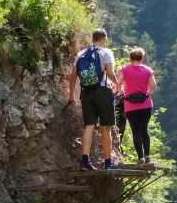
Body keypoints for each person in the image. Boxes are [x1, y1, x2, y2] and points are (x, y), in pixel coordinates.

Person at [67, 29, 121, 170]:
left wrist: (71, 95)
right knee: (105, 127)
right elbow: (110, 73)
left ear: (93, 38)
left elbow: (73, 76)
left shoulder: (81, 54)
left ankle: (85, 160)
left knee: (89, 126)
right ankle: (108, 163)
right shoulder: (106, 52)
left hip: (86, 93)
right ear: (104, 39)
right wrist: (118, 85)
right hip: (103, 92)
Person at [119, 47, 157, 164]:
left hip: (130, 106)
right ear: (142, 58)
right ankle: (147, 156)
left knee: (135, 131)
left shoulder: (124, 70)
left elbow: (118, 83)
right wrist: (147, 94)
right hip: (145, 105)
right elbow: (153, 86)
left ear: (130, 58)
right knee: (144, 129)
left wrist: (122, 93)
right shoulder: (148, 70)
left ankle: (140, 157)